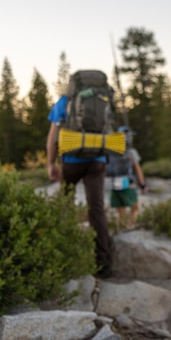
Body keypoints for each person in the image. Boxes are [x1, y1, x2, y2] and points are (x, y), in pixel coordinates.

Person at [46, 95, 113, 279]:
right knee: (97, 209)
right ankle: (104, 265)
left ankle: (65, 259)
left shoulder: (64, 101)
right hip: (97, 160)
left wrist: (51, 163)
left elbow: (53, 135)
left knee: (65, 204)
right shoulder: (102, 99)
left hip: (71, 160)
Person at [108, 126, 147, 229]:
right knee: (135, 208)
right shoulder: (131, 152)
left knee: (121, 212)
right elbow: (138, 170)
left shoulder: (111, 151)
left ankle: (122, 229)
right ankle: (130, 227)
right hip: (127, 184)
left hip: (114, 183)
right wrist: (143, 185)